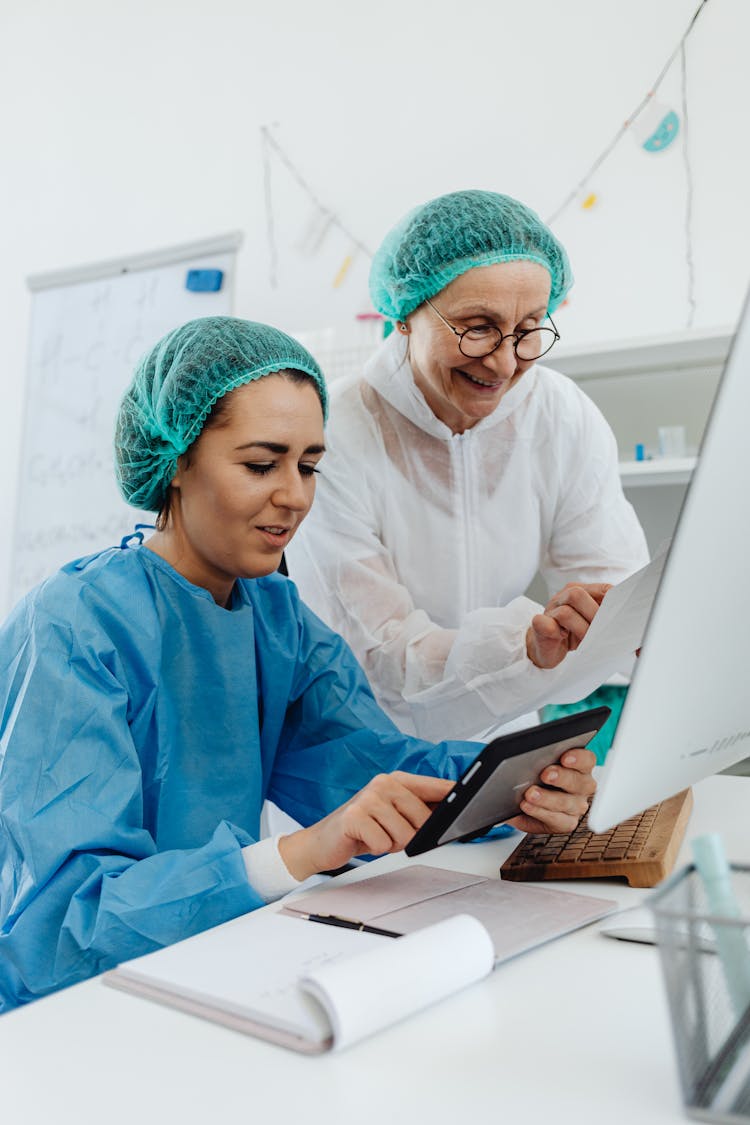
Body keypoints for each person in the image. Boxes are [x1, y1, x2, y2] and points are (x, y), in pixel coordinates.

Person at [0, 316, 597, 1012]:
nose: (295, 496)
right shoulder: (73, 624)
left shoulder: (275, 618)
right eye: (261, 464)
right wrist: (302, 852)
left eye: (309, 465)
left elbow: (374, 769)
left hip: (203, 966)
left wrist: (520, 783)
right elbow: (64, 925)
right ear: (175, 460)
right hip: (67, 1016)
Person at [286, 190, 649, 743]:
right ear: (406, 315)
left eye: (529, 329)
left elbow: (615, 589)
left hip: (504, 735)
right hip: (365, 751)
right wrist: (526, 645)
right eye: (476, 326)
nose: (505, 363)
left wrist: (609, 623)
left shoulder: (559, 414)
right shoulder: (334, 435)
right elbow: (380, 654)